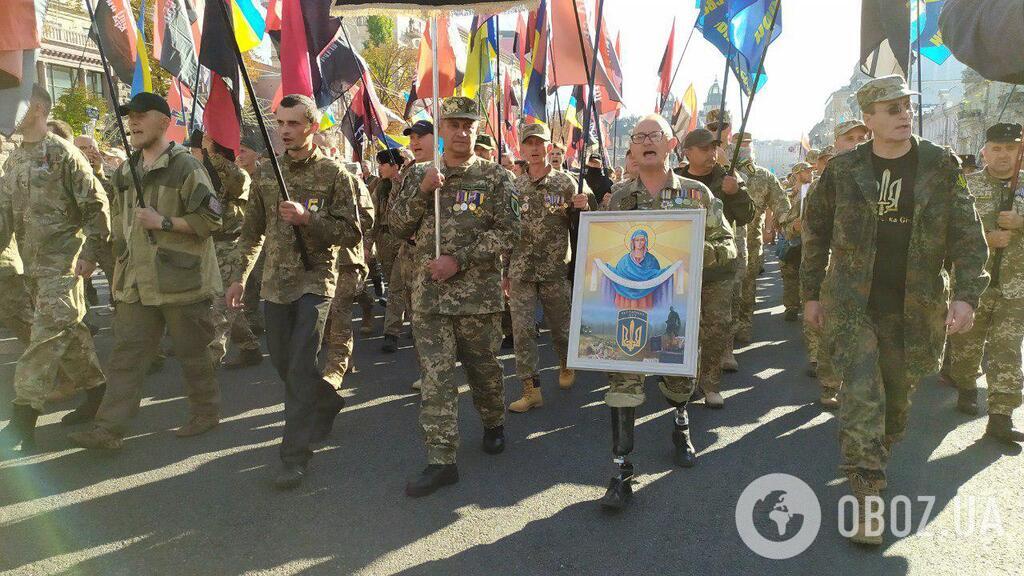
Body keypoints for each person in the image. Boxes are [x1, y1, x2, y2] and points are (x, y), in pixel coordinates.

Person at [802, 75, 989, 545]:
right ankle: (867, 493)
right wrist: (810, 294)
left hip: (916, 307)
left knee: (897, 403)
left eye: (907, 105)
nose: (904, 114)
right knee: (863, 393)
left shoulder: (939, 164)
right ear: (869, 119)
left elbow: (968, 234)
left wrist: (967, 295)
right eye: (891, 108)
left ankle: (875, 453)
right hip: (852, 304)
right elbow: (815, 232)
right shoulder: (843, 171)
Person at [66, 92, 222, 451]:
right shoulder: (126, 170)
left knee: (193, 353)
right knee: (126, 356)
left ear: (164, 122)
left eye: (141, 115)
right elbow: (113, 219)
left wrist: (164, 221)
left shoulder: (187, 167)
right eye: (129, 116)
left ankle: (206, 413)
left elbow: (212, 220)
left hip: (181, 281)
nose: (132, 122)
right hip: (136, 281)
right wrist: (94, 254)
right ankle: (108, 429)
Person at [223, 94, 363, 490]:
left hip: (315, 282)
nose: (285, 131)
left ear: (312, 127)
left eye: (294, 124)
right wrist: (238, 277)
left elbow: (351, 232)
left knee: (299, 364)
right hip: (275, 286)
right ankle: (325, 399)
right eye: (281, 123)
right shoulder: (267, 173)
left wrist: (309, 219)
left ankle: (294, 456)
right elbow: (251, 232)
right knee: (284, 365)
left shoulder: (335, 175)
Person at [597, 114, 736, 509]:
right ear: (633, 149)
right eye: (638, 136)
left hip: (676, 308)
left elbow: (727, 245)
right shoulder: (620, 197)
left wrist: (694, 252)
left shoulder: (696, 194)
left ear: (670, 144)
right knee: (622, 385)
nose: (645, 142)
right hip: (630, 309)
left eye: (653, 135)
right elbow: (603, 248)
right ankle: (621, 473)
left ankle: (680, 422)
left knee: (677, 384)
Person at [390, 96, 520, 498]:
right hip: (429, 298)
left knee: (484, 371)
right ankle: (441, 459)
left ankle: (493, 421)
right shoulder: (418, 176)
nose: (461, 132)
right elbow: (396, 224)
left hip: (477, 299)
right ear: (441, 131)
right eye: (453, 125)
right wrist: (420, 191)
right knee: (436, 380)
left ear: (477, 130)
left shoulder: (497, 178)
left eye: (468, 125)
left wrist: (459, 259)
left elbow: (511, 231)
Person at [0, 86, 110, 451]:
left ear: (36, 108)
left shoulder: (63, 154)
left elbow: (96, 204)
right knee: (72, 332)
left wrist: (92, 251)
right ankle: (98, 393)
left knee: (43, 338)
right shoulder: (14, 160)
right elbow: (3, 217)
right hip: (32, 266)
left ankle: (22, 419)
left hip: (64, 263)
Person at [505, 123, 593, 413]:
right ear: (522, 148)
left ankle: (566, 363)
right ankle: (530, 390)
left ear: (549, 148)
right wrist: (505, 269)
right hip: (521, 271)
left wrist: (583, 206)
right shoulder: (514, 186)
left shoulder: (567, 183)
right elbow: (507, 228)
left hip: (555, 269)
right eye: (528, 143)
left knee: (561, 327)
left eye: (538, 143)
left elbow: (585, 224)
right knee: (522, 332)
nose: (533, 149)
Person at [947, 122, 1024, 444]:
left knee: (1007, 351)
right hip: (973, 285)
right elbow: (946, 232)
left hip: (1016, 287)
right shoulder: (966, 186)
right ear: (984, 152)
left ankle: (1001, 416)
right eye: (997, 148)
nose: (1004, 155)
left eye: (1011, 148)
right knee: (967, 346)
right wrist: (985, 239)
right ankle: (966, 385)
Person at [679, 128, 754, 407]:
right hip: (681, 269)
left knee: (716, 327)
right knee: (682, 327)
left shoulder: (728, 178)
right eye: (704, 148)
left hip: (718, 267)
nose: (712, 154)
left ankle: (710, 384)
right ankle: (682, 380)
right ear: (688, 152)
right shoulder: (674, 180)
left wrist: (735, 194)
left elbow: (746, 216)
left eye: (714, 148)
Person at [202, 134, 263, 369]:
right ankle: (250, 347)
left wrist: (210, 150)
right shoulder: (208, 177)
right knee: (229, 303)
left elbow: (234, 177)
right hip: (211, 246)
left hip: (231, 246)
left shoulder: (240, 177)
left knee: (220, 304)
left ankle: (213, 355)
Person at [730, 132, 790, 357]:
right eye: (739, 144)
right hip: (722, 242)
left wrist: (788, 224)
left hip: (751, 241)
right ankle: (726, 330)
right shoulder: (723, 173)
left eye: (747, 144)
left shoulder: (763, 176)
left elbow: (781, 204)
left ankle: (743, 324)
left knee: (747, 283)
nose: (743, 148)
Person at [323, 163, 375, 390]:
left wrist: (334, 227)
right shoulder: (314, 184)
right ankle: (336, 357)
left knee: (339, 309)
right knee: (324, 311)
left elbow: (367, 217)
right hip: (321, 259)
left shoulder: (353, 182)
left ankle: (338, 365)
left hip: (346, 259)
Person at [374, 148, 407, 352]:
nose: (379, 168)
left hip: (402, 240)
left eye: (383, 164)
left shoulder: (406, 182)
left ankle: (391, 333)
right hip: (384, 239)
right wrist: (368, 243)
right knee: (393, 283)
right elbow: (374, 217)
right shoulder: (379, 186)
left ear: (394, 165)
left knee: (397, 286)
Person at [779, 163, 813, 324]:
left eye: (810, 170)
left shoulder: (815, 191)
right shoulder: (787, 195)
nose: (810, 173)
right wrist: (792, 226)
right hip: (792, 241)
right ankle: (791, 307)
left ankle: (808, 305)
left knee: (809, 275)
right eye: (806, 171)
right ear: (797, 174)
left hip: (810, 243)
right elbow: (779, 217)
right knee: (790, 275)